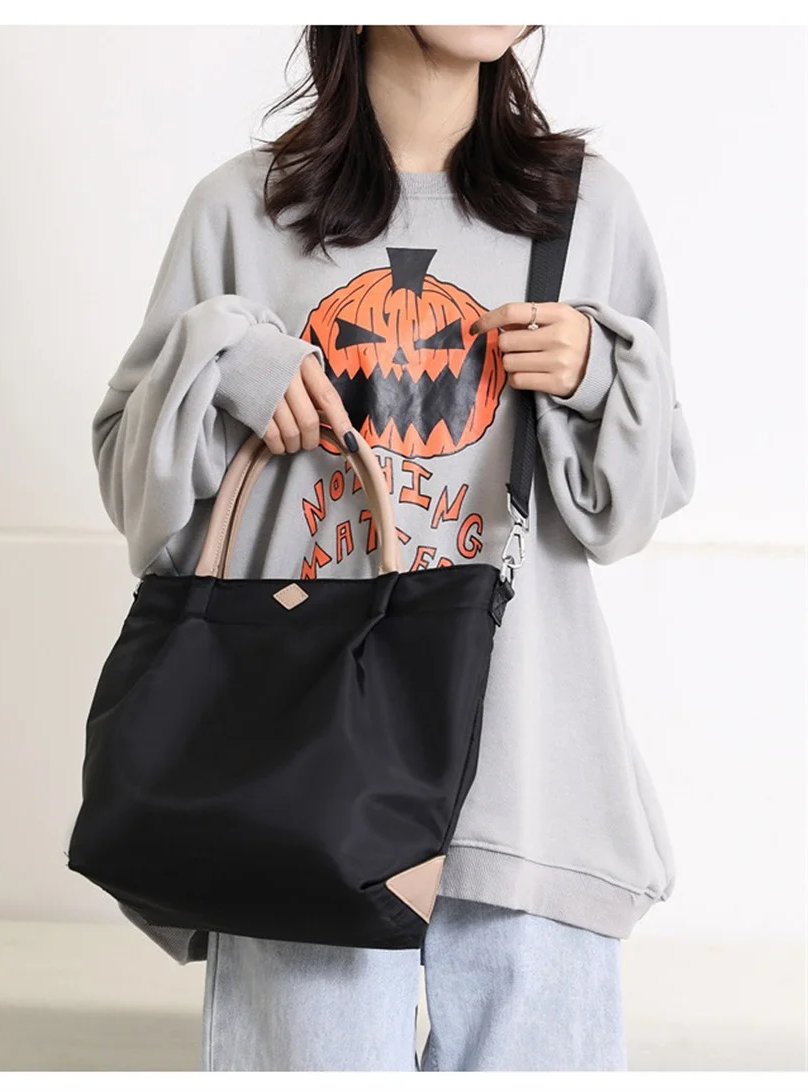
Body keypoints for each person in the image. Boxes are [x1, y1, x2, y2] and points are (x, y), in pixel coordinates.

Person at [91, 25, 695, 1072]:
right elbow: (134, 493)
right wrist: (220, 364)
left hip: (527, 767)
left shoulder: (581, 207)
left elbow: (624, 514)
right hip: (303, 765)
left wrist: (599, 372)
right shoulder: (242, 209)